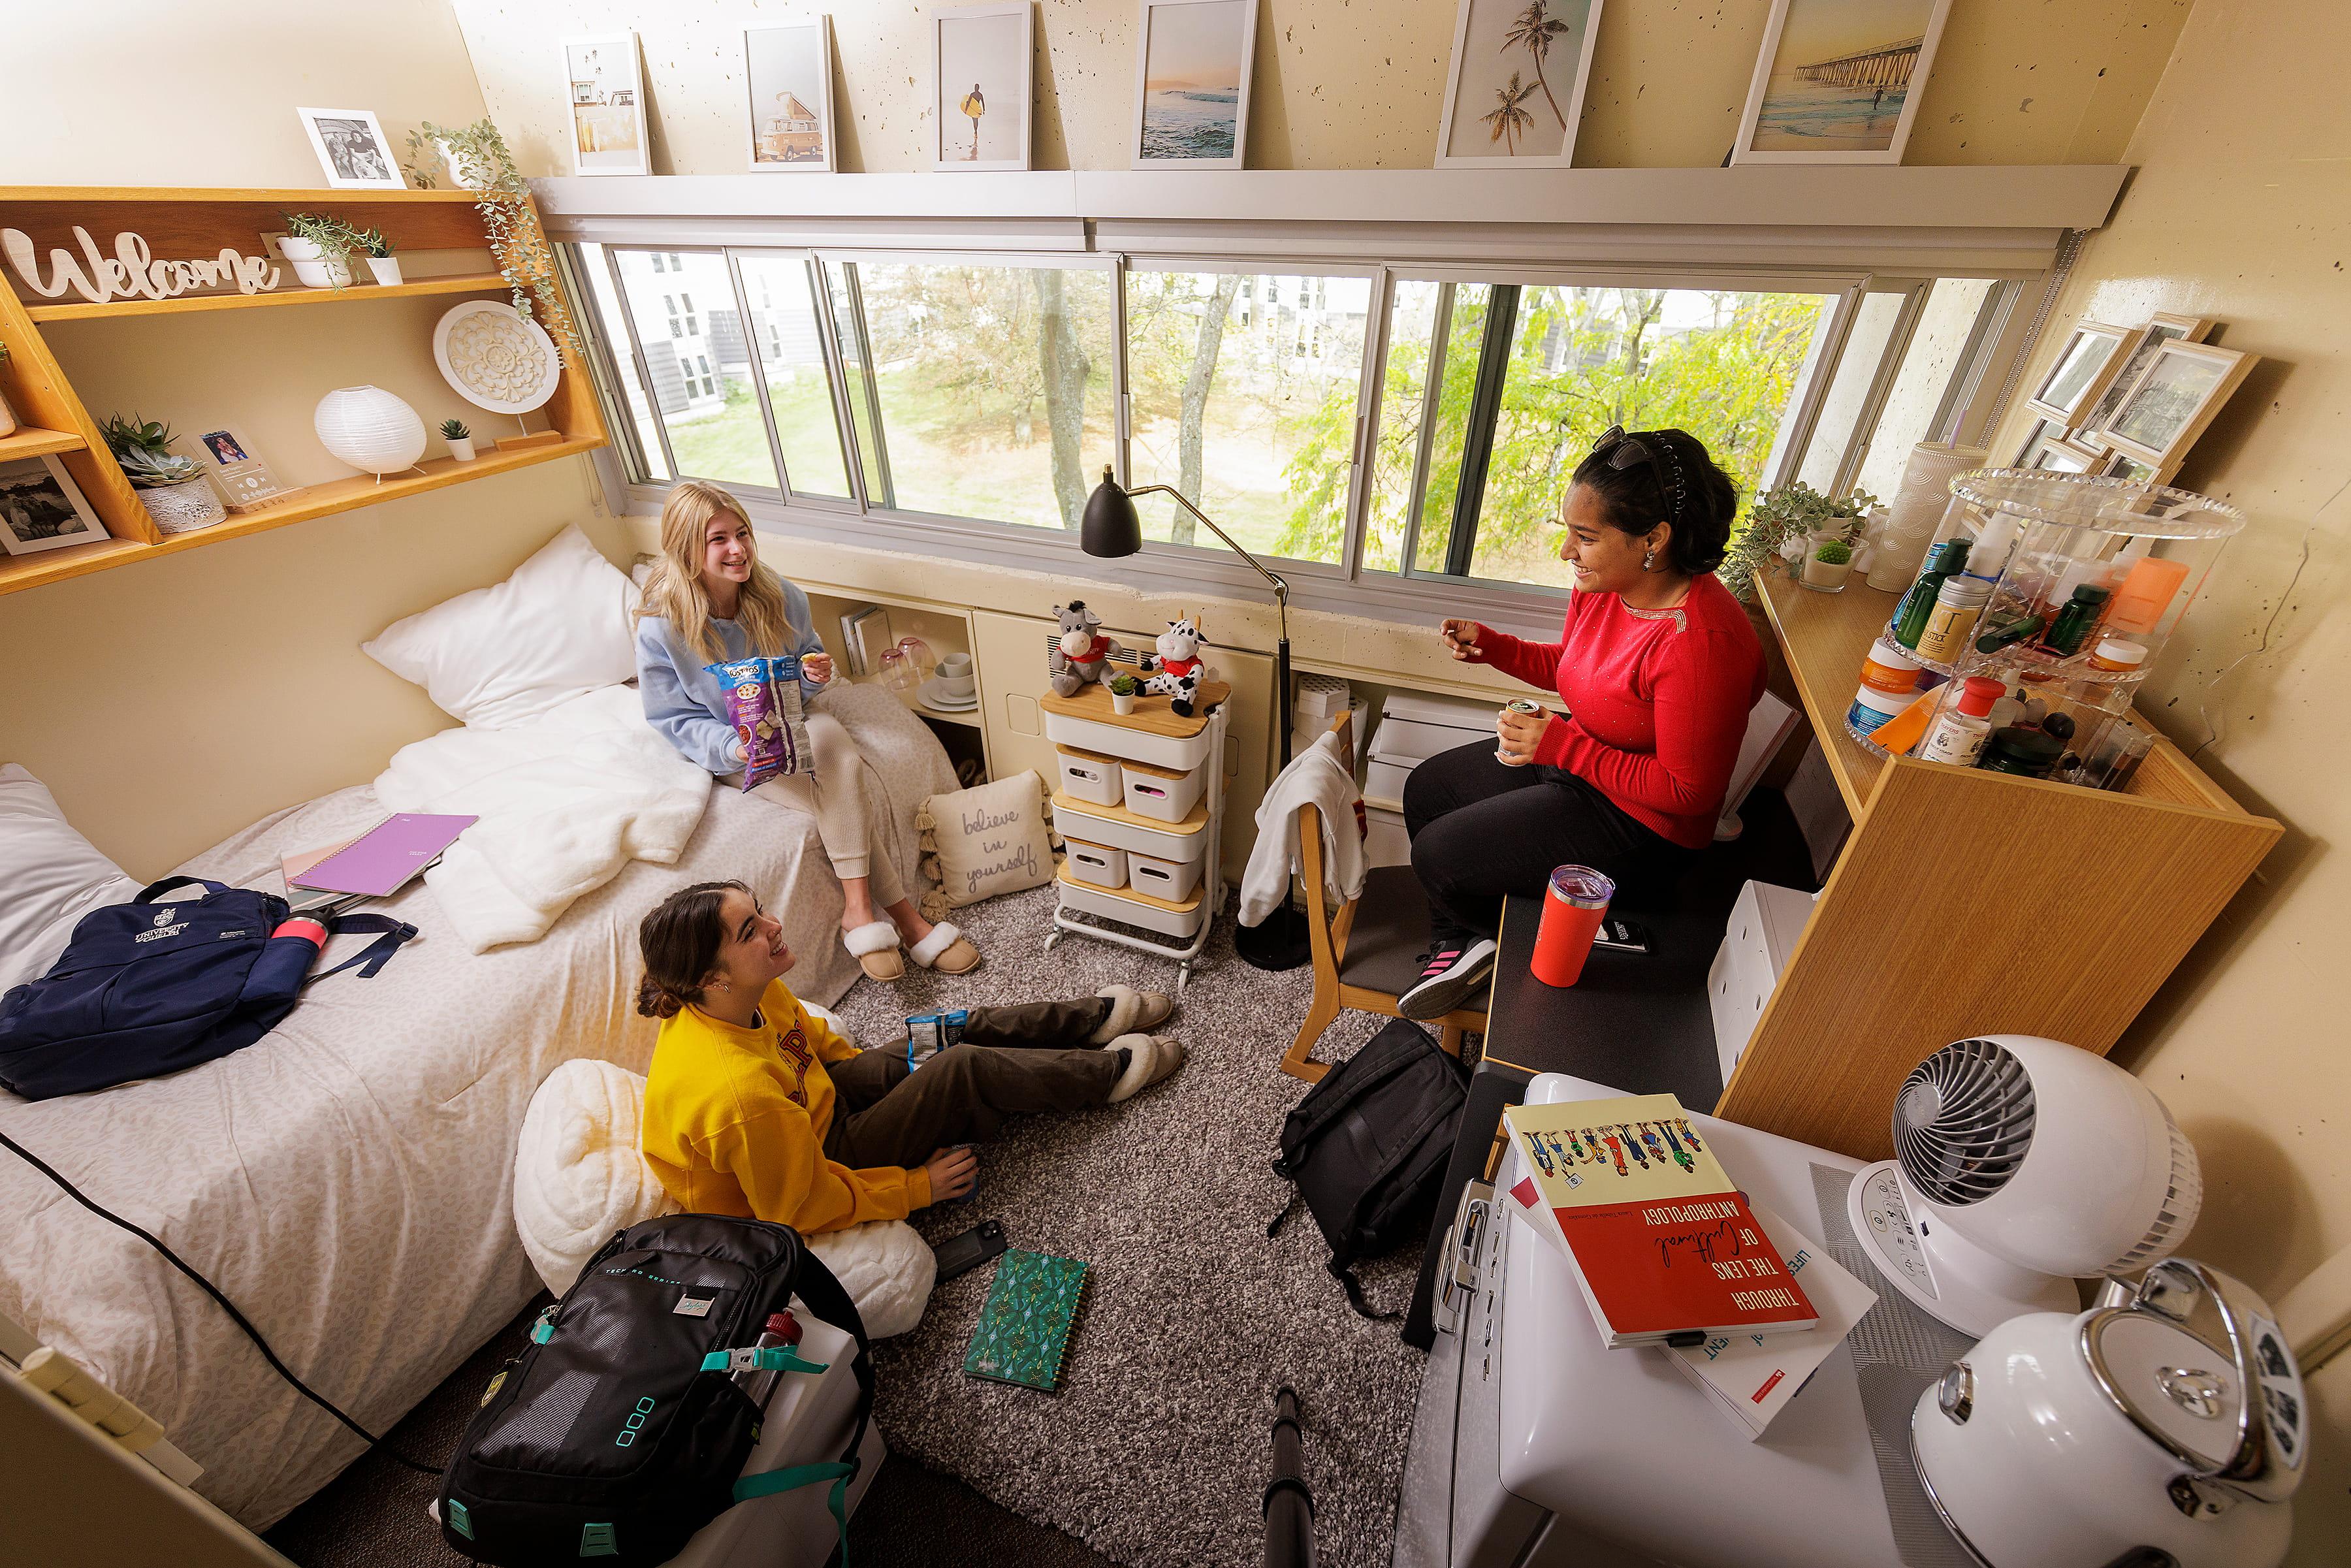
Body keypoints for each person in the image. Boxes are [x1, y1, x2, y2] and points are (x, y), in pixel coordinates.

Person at [1396, 426, 1764, 1020]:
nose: (1567, 551)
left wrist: (1561, 747)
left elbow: (1689, 795)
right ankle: (1467, 939)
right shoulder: (1605, 586)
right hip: (1586, 764)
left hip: (1646, 830)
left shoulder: (1702, 644)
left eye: (1584, 537)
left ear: (1654, 538)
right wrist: (1496, 647)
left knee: (1439, 855)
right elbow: (1577, 670)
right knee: (1426, 790)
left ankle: (1492, 942)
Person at [635, 880, 1187, 1235]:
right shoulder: (740, 1096)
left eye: (760, 910)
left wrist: (882, 1076)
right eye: (751, 930)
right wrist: (916, 1187)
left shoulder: (747, 988)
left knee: (943, 1034)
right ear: (713, 978)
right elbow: (796, 1207)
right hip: (818, 1158)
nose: (774, 925)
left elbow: (809, 1042)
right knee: (960, 1066)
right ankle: (1106, 1075)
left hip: (817, 1102)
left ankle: (1089, 1019)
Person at [635, 479, 980, 980]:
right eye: (719, 540)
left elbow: (805, 661)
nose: (738, 549)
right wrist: (734, 745)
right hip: (736, 746)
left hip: (794, 714)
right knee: (840, 801)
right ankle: (908, 921)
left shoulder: (777, 594)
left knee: (836, 750)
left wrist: (811, 674)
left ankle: (859, 912)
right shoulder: (661, 627)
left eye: (743, 533)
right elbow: (672, 719)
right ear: (687, 548)